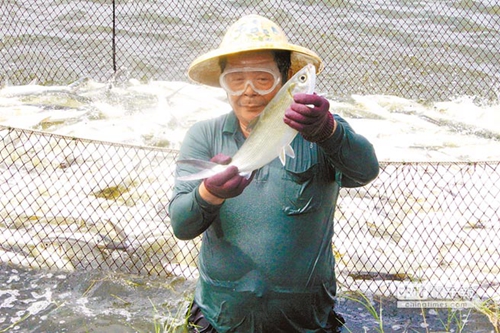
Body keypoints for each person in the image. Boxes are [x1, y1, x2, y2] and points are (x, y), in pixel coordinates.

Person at [168, 14, 379, 333]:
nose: (248, 91)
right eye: (236, 80)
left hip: (309, 322)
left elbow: (365, 171)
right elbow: (182, 225)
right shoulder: (205, 136)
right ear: (224, 84)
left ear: (284, 81)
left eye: (262, 79)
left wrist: (330, 132)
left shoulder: (320, 131)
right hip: (218, 319)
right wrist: (209, 194)